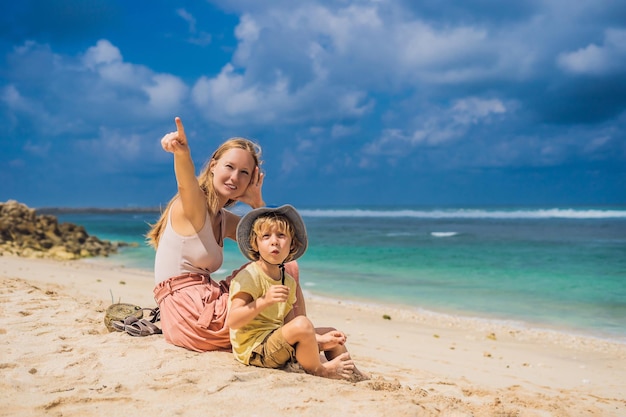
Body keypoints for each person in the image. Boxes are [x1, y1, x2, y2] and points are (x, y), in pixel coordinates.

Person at [147, 117, 304, 352]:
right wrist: (181, 153)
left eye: (244, 173)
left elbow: (271, 245)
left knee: (285, 264)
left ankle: (299, 334)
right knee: (285, 269)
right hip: (190, 313)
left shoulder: (223, 219)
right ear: (213, 166)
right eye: (229, 167)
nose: (234, 178)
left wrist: (257, 202)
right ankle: (297, 338)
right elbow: (186, 183)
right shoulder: (195, 205)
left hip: (201, 305)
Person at [228, 205, 368, 381]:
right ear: (255, 244)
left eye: (281, 235)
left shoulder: (288, 281)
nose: (274, 241)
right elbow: (232, 321)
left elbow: (288, 324)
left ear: (292, 244)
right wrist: (264, 301)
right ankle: (320, 369)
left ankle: (352, 372)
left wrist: (318, 338)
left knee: (331, 333)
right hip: (256, 350)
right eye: (266, 236)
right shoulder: (251, 276)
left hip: (276, 340)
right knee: (303, 324)